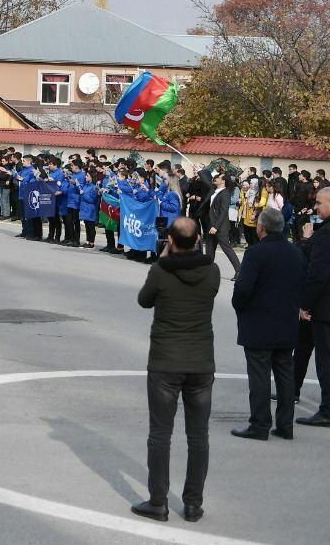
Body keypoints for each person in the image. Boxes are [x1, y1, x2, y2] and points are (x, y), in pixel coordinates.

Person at [133, 217, 219, 524]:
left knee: (160, 434)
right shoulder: (212, 271)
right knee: (198, 436)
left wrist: (164, 260)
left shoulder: (160, 271)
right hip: (200, 362)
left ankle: (158, 502)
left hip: (165, 361)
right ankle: (193, 503)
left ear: (170, 240)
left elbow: (144, 301)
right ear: (197, 240)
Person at [230, 207, 304, 441]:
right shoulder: (295, 252)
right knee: (284, 374)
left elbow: (242, 289)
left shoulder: (256, 253)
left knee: (260, 374)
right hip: (287, 321)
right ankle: (285, 425)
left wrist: (240, 306)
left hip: (259, 323)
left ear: (261, 227)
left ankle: (259, 424)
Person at [296, 186, 330, 428]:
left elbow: (317, 274)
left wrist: (305, 304)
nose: (315, 207)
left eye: (319, 202)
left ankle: (327, 410)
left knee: (326, 361)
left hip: (325, 309)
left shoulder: (325, 235)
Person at [203, 171, 241, 277]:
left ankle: (239, 271)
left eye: (218, 178)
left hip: (220, 227)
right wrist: (199, 170)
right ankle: (208, 271)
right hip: (211, 224)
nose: (216, 179)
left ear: (223, 181)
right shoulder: (214, 189)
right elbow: (206, 179)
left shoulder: (225, 193)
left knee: (226, 248)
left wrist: (216, 226)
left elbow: (224, 212)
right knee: (209, 249)